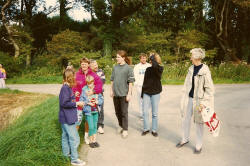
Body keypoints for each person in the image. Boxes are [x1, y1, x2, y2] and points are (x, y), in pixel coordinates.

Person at [176, 48, 214, 154]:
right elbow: (186, 84)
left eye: (191, 56)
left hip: (199, 101)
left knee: (199, 123)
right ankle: (184, 139)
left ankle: (199, 145)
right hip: (189, 98)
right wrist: (183, 96)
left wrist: (204, 102)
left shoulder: (205, 71)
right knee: (185, 119)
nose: (190, 58)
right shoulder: (191, 68)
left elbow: (209, 89)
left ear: (197, 57)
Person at [58, 68, 86, 166]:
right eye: (74, 76)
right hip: (67, 118)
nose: (75, 77)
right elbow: (64, 103)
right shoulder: (65, 88)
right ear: (70, 77)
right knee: (75, 138)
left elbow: (67, 100)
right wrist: (77, 102)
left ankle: (66, 155)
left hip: (64, 117)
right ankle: (74, 160)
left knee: (65, 136)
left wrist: (74, 97)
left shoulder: (66, 87)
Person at [72, 58, 103, 144]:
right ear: (80, 65)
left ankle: (87, 137)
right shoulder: (77, 74)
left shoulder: (93, 74)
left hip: (89, 103)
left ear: (88, 64)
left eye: (85, 63)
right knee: (77, 120)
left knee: (88, 121)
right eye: (82, 64)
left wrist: (93, 91)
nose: (84, 65)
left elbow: (100, 86)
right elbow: (73, 84)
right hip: (80, 101)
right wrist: (75, 91)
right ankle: (74, 138)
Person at [110, 50, 135, 138]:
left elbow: (131, 82)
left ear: (123, 58)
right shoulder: (115, 67)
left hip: (124, 94)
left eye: (118, 57)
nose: (117, 58)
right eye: (116, 57)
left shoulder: (128, 68)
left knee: (124, 112)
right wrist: (111, 90)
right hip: (115, 93)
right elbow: (112, 80)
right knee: (117, 112)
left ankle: (125, 129)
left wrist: (129, 94)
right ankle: (120, 125)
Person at [141, 52, 164, 137]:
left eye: (153, 59)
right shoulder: (148, 69)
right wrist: (142, 94)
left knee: (154, 113)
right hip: (146, 92)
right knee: (145, 112)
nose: (151, 61)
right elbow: (145, 82)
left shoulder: (160, 68)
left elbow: (155, 67)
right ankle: (146, 128)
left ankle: (154, 130)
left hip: (155, 93)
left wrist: (152, 57)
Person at [80, 75, 104, 148]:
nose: (89, 85)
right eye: (88, 83)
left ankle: (94, 140)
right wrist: (87, 102)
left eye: (90, 83)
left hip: (96, 111)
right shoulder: (84, 89)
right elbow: (82, 99)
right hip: (88, 111)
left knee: (95, 126)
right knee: (91, 126)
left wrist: (97, 101)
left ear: (93, 82)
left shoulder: (96, 89)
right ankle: (90, 141)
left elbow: (101, 99)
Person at [90, 60, 106, 134]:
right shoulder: (88, 72)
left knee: (100, 109)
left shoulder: (100, 71)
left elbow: (102, 81)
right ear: (90, 66)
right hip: (90, 94)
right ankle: (93, 126)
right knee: (92, 109)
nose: (96, 66)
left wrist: (93, 84)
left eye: (96, 64)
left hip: (99, 94)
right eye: (94, 65)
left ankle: (100, 126)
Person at [133, 53, 151, 120]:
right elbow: (135, 75)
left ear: (146, 58)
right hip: (140, 86)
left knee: (148, 100)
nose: (143, 59)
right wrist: (136, 83)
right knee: (141, 100)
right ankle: (142, 114)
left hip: (148, 86)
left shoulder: (149, 66)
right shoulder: (137, 66)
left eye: (144, 58)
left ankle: (146, 113)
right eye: (142, 58)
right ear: (140, 59)